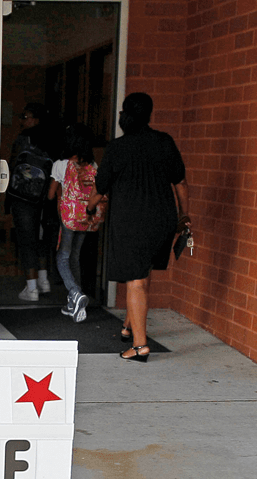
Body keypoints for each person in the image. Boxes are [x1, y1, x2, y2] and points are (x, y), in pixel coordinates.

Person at [95, 92, 189, 362]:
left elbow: (101, 188)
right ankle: (128, 325)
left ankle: (139, 346)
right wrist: (185, 216)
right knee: (143, 272)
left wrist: (90, 206)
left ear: (125, 114)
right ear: (149, 114)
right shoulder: (164, 142)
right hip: (162, 220)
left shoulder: (117, 147)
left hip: (130, 221)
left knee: (135, 281)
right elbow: (180, 184)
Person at [47, 123, 106, 323]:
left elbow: (50, 194)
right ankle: (75, 304)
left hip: (68, 218)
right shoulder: (93, 166)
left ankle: (75, 292)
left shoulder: (60, 164)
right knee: (75, 257)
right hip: (87, 218)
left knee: (62, 257)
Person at [8, 103, 62, 302]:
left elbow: (14, 166)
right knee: (42, 239)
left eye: (26, 116)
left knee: (26, 239)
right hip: (47, 195)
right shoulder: (54, 139)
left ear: (36, 119)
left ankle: (31, 288)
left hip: (24, 197)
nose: (22, 120)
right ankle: (43, 280)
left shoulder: (23, 139)